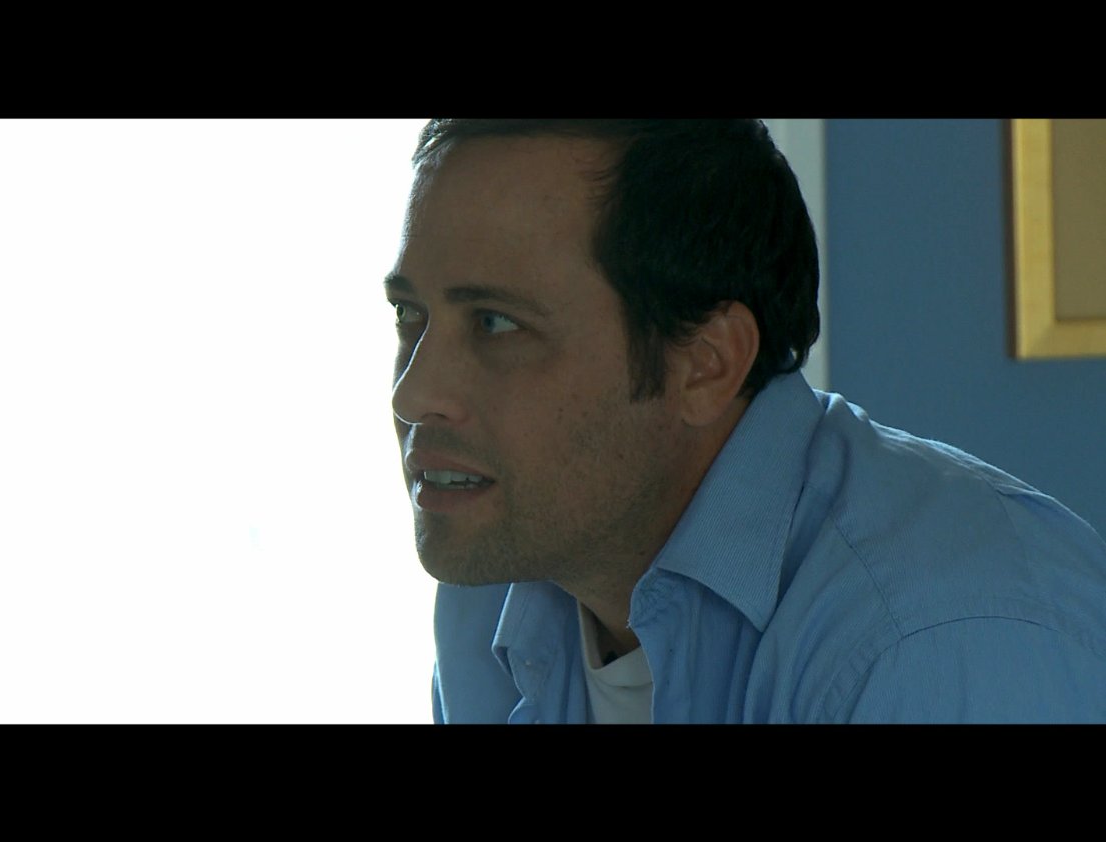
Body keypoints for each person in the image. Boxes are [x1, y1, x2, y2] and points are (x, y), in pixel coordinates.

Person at [386, 119, 1106, 723]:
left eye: (496, 324)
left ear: (705, 365)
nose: (413, 394)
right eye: (410, 316)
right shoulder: (498, 584)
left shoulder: (937, 641)